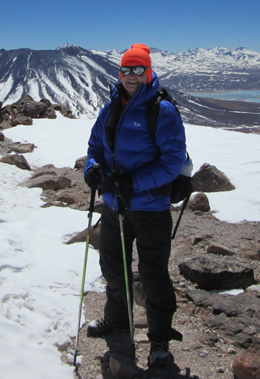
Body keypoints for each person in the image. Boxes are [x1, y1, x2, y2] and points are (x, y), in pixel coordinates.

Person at [83, 43, 187, 368]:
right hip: (115, 207)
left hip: (150, 208)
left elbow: (173, 162)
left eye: (138, 69)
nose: (131, 75)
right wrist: (92, 169)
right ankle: (117, 320)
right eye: (126, 69)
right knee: (112, 267)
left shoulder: (163, 111)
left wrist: (133, 183)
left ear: (148, 72)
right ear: (120, 73)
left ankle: (159, 340)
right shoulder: (110, 106)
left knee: (153, 274)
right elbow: (95, 146)